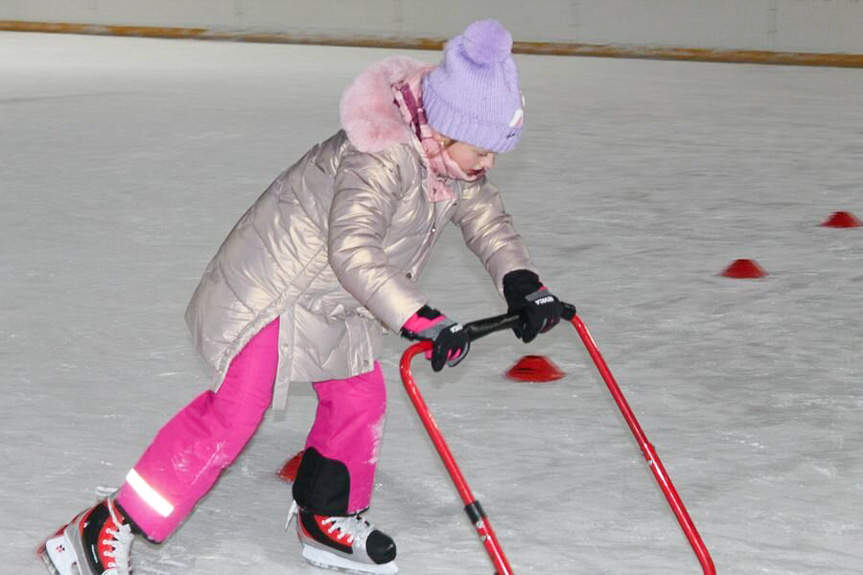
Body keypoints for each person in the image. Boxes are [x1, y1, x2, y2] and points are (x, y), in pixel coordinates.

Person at [38, 18, 563, 575]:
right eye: (482, 150)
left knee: (360, 401)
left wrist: (522, 282)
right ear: (446, 126)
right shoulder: (380, 156)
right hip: (277, 288)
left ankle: (325, 520)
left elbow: (489, 222)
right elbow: (353, 248)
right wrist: (420, 318)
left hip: (336, 299)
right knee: (235, 414)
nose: (487, 165)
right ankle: (105, 527)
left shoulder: (451, 162)